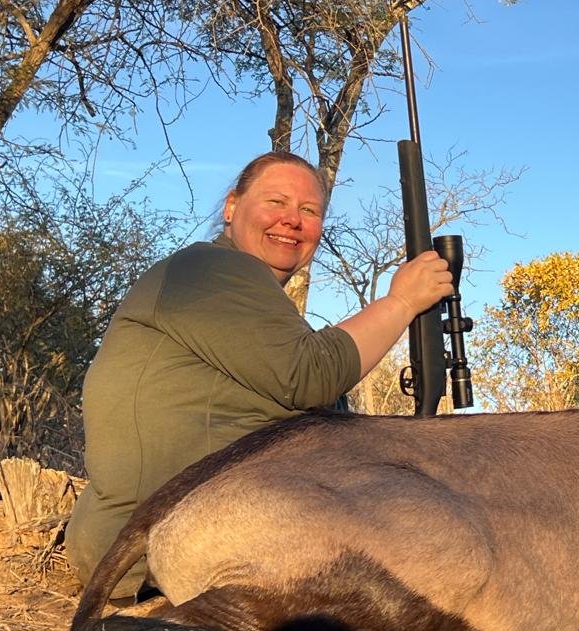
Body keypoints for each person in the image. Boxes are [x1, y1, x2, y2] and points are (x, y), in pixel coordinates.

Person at [64, 152, 454, 598]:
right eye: (276, 201)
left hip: (171, 537)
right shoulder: (209, 270)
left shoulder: (248, 300)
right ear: (231, 207)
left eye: (309, 211)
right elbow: (311, 374)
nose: (292, 220)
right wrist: (403, 303)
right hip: (164, 547)